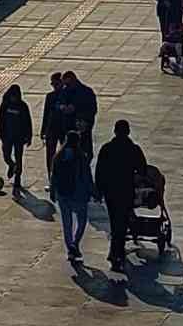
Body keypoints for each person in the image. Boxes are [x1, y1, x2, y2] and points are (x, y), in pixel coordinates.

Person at [95, 120, 149, 274]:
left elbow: (100, 171)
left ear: (114, 131)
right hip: (126, 190)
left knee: (114, 222)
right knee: (122, 222)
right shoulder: (133, 149)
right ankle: (116, 253)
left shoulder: (107, 148)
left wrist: (98, 190)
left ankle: (115, 252)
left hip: (110, 191)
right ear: (128, 132)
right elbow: (143, 170)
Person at [53, 130, 94, 261]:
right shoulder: (82, 157)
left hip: (62, 193)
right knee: (81, 221)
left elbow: (53, 175)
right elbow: (87, 177)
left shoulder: (58, 156)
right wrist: (93, 191)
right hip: (78, 193)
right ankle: (75, 243)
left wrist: (53, 191)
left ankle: (70, 246)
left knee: (67, 223)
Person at [0, 85, 33, 193]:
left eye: (15, 97)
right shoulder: (5, 105)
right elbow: (0, 118)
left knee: (19, 157)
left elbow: (28, 122)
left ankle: (17, 180)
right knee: (6, 155)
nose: (13, 99)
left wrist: (29, 136)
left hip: (19, 137)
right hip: (7, 136)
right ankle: (12, 165)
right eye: (12, 97)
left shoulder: (23, 106)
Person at [60, 71, 98, 156]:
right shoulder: (65, 91)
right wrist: (63, 108)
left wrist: (84, 121)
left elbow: (92, 109)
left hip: (81, 126)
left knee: (84, 150)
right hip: (70, 127)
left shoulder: (86, 92)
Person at [42, 72, 68, 194]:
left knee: (65, 156)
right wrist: (43, 130)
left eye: (56, 83)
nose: (53, 86)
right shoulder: (50, 96)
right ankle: (52, 180)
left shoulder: (68, 95)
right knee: (50, 156)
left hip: (64, 129)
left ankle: (64, 180)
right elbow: (46, 114)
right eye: (52, 83)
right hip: (52, 129)